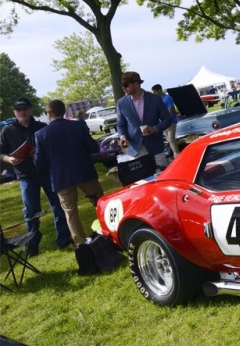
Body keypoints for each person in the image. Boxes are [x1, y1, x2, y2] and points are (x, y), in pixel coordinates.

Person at [0, 97, 72, 254]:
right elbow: (1, 153)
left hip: (46, 172)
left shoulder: (42, 127)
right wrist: (9, 159)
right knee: (31, 211)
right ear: (14, 112)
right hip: (25, 176)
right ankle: (32, 242)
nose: (22, 112)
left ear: (31, 110)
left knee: (58, 206)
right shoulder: (7, 131)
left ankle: (64, 239)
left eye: (25, 109)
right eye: (18, 110)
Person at [34, 100, 102, 246]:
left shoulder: (41, 134)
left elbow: (39, 163)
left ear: (49, 114)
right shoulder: (78, 126)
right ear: (64, 111)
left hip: (61, 178)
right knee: (100, 203)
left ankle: (81, 243)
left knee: (70, 212)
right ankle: (108, 231)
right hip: (85, 172)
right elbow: (93, 148)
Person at [116, 71, 173, 169]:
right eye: (122, 86)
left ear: (136, 84)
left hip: (155, 147)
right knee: (142, 181)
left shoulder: (155, 99)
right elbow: (121, 124)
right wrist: (122, 137)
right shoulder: (121, 103)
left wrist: (155, 128)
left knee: (162, 178)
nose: (123, 88)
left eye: (126, 85)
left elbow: (167, 119)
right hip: (135, 149)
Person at [151, 84, 179, 157]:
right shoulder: (158, 99)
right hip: (163, 123)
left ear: (159, 90)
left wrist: (167, 120)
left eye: (155, 92)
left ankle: (177, 155)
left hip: (170, 122)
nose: (154, 94)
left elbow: (171, 110)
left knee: (171, 139)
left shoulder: (167, 98)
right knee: (168, 140)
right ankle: (174, 154)